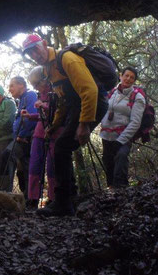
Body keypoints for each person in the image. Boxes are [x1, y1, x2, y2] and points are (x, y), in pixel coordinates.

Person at [22, 34, 108, 216]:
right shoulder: (47, 70)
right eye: (30, 53)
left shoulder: (66, 58)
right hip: (76, 106)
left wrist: (84, 124)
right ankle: (69, 198)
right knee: (62, 146)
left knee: (61, 147)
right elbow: (62, 100)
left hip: (94, 102)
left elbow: (90, 90)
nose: (35, 55)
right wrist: (54, 125)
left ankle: (63, 203)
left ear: (44, 44)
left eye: (36, 49)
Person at [23, 66, 63, 209]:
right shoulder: (40, 94)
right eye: (34, 86)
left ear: (45, 81)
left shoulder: (57, 91)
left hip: (55, 132)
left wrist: (44, 106)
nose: (37, 88)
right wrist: (30, 116)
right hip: (39, 132)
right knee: (35, 165)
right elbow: (42, 116)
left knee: (52, 167)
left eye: (38, 84)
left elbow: (60, 110)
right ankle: (33, 198)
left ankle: (53, 198)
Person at [100, 67, 145, 187]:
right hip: (106, 136)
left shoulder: (137, 97)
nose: (128, 79)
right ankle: (111, 191)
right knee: (108, 164)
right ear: (121, 76)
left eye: (132, 77)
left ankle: (121, 191)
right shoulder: (111, 92)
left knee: (121, 158)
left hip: (123, 137)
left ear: (134, 81)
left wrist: (120, 141)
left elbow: (135, 122)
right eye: (127, 75)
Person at [0, 77, 37, 198]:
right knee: (23, 169)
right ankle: (26, 198)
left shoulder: (30, 95)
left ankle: (4, 193)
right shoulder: (22, 99)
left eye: (12, 85)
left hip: (25, 140)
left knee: (7, 157)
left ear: (21, 85)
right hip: (20, 139)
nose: (9, 89)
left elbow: (30, 118)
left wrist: (21, 135)